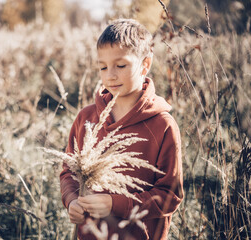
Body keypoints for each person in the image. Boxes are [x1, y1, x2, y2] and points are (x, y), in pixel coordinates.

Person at [60, 19, 184, 240]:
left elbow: (170, 195)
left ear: (145, 64)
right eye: (103, 67)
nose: (110, 75)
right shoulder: (86, 118)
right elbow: (68, 172)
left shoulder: (163, 125)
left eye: (121, 65)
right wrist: (71, 200)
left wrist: (116, 204)